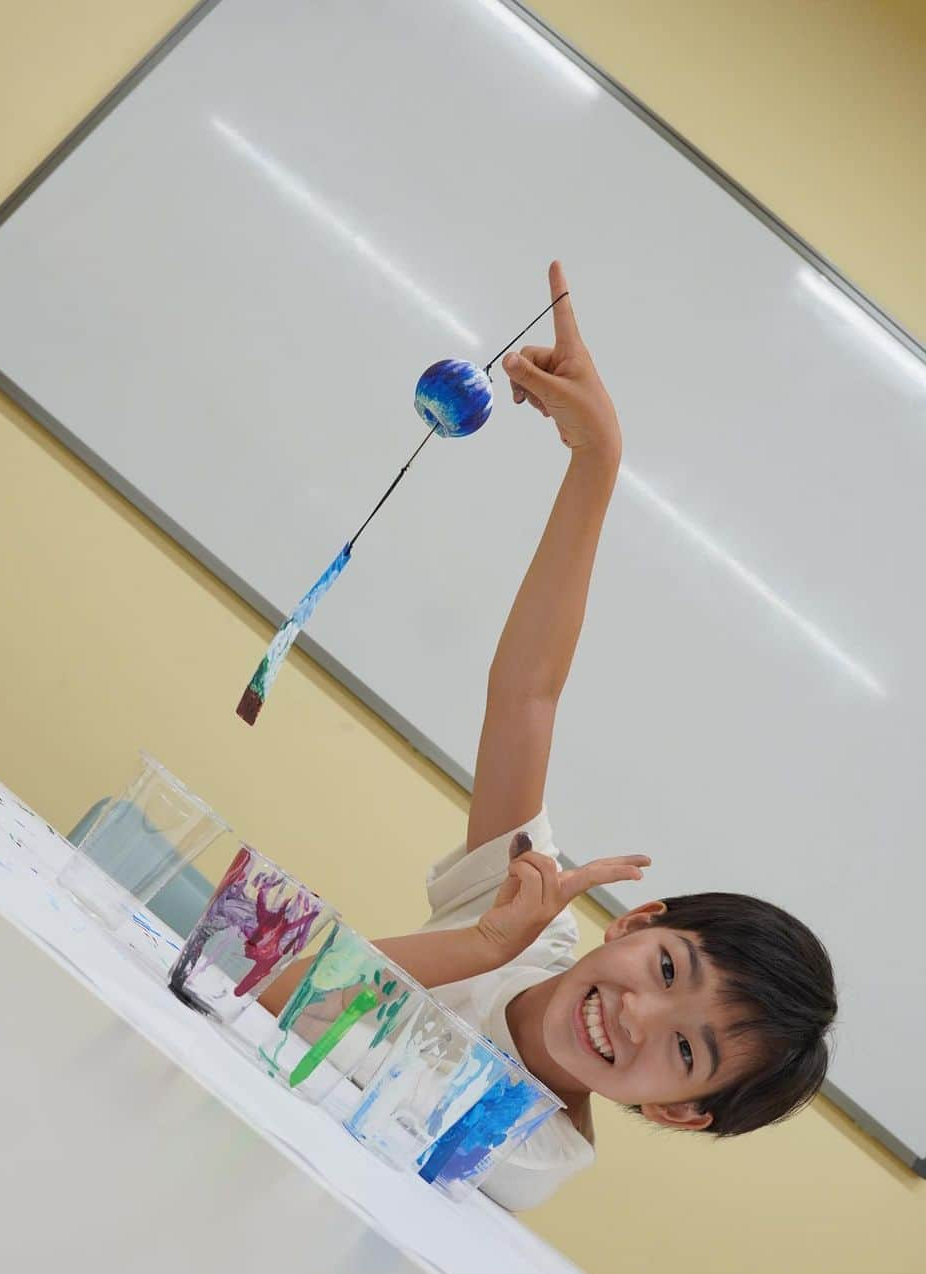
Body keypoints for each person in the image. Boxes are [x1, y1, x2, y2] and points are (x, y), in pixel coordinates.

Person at [262, 261, 838, 1211]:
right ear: (639, 921)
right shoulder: (530, 920)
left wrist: (483, 947)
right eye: (664, 969)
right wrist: (596, 465)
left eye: (686, 1052)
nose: (638, 1016)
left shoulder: (527, 1153)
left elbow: (284, 995)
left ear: (679, 1112)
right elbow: (527, 692)